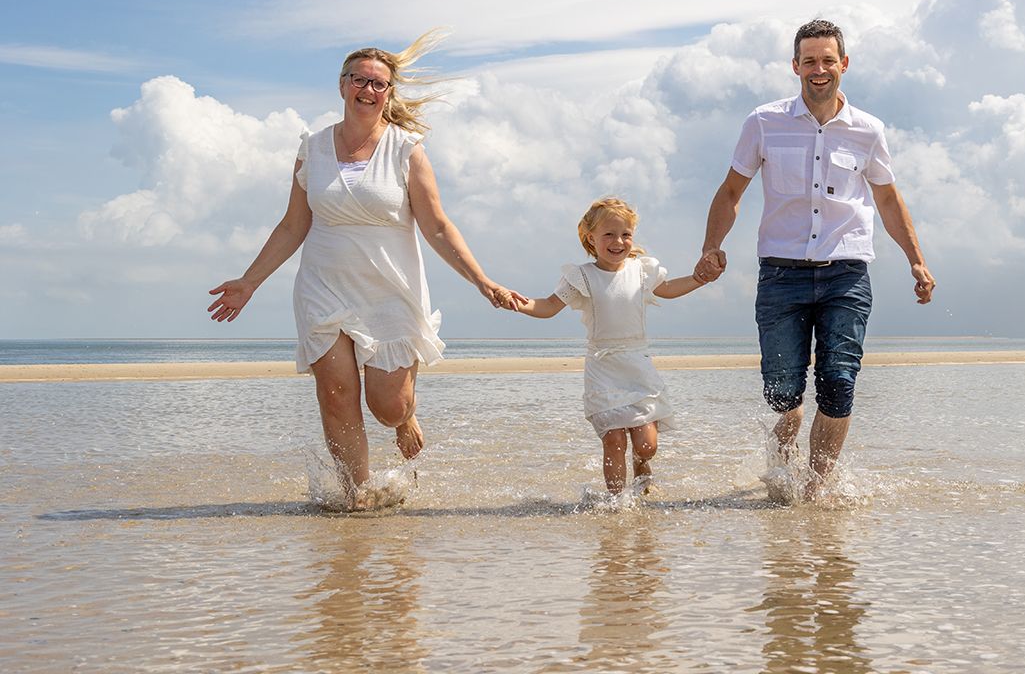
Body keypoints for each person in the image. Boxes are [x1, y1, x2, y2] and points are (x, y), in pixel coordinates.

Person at [207, 32, 522, 507]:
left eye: (379, 84)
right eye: (360, 80)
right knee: (336, 397)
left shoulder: (406, 149)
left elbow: (436, 225)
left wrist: (482, 279)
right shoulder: (310, 149)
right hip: (324, 288)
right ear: (342, 85)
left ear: (389, 93)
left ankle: (406, 417)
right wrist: (249, 282)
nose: (369, 90)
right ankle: (359, 496)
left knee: (386, 406)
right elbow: (294, 225)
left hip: (389, 290)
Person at [694, 18, 935, 502]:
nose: (819, 69)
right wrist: (711, 246)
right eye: (809, 61)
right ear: (795, 66)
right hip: (781, 274)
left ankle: (815, 490)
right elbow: (731, 190)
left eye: (828, 60)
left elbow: (888, 201)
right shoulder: (764, 122)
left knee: (839, 383)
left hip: (846, 273)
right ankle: (781, 474)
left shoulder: (868, 131)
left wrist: (916, 260)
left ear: (843, 64)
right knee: (784, 393)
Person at [511, 197, 707, 495]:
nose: (618, 241)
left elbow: (667, 289)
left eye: (625, 234)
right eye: (609, 235)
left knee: (646, 445)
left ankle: (642, 464)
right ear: (591, 238)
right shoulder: (582, 277)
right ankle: (616, 504)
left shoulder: (642, 270)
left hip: (636, 364)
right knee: (614, 440)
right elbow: (548, 307)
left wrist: (698, 279)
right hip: (602, 367)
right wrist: (517, 303)